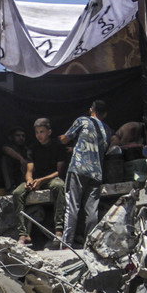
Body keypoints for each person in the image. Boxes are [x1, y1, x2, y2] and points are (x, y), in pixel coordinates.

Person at [59, 100, 110, 247]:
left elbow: (65, 139)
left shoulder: (83, 120)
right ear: (105, 114)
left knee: (72, 206)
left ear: (91, 110)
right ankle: (90, 245)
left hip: (78, 169)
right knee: (92, 210)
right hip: (96, 173)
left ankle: (66, 244)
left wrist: (60, 139)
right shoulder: (107, 130)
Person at [13, 118, 68, 246]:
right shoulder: (32, 148)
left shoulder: (57, 146)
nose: (39, 135)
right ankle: (23, 234)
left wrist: (42, 180)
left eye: (42, 132)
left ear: (49, 132)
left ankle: (59, 229)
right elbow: (29, 169)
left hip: (51, 179)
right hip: (37, 179)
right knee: (17, 193)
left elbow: (59, 171)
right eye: (37, 132)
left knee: (59, 186)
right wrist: (29, 181)